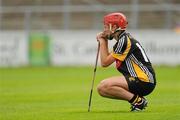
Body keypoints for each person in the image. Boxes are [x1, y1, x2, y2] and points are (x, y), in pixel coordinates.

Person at [96, 12, 156, 111]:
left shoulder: (124, 41)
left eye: (106, 27)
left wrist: (103, 41)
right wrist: (104, 40)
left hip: (143, 80)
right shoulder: (122, 40)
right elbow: (105, 59)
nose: (104, 30)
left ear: (114, 27)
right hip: (140, 79)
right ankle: (137, 101)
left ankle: (138, 102)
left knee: (104, 85)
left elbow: (104, 63)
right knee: (102, 89)